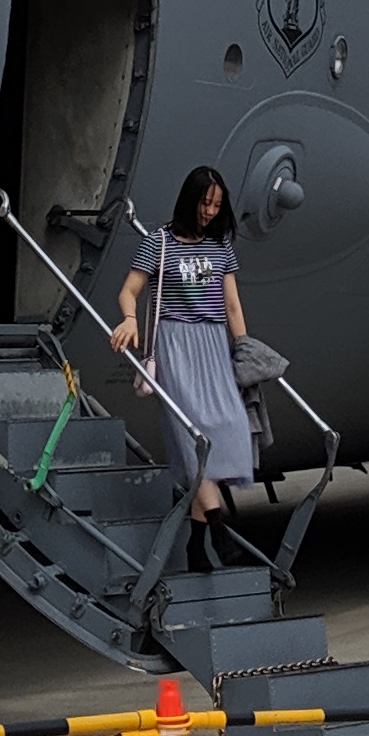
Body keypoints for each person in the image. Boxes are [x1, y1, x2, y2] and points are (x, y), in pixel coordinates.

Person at [112, 166, 254, 567]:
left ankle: (195, 546)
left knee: (230, 428)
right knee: (196, 438)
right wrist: (129, 319)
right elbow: (130, 289)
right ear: (189, 199)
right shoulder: (158, 242)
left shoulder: (220, 245)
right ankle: (221, 531)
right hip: (175, 344)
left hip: (212, 345)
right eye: (204, 202)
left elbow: (231, 305)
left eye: (216, 204)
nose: (209, 211)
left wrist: (242, 349)